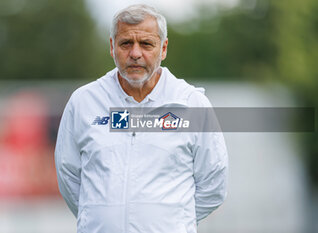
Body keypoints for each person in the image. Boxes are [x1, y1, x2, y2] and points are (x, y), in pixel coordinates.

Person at [55, 4, 228, 233]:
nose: (135, 53)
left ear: (163, 48)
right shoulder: (84, 102)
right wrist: (100, 217)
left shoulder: (191, 104)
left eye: (146, 44)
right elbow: (69, 176)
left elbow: (213, 183)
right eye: (126, 43)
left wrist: (172, 221)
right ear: (112, 46)